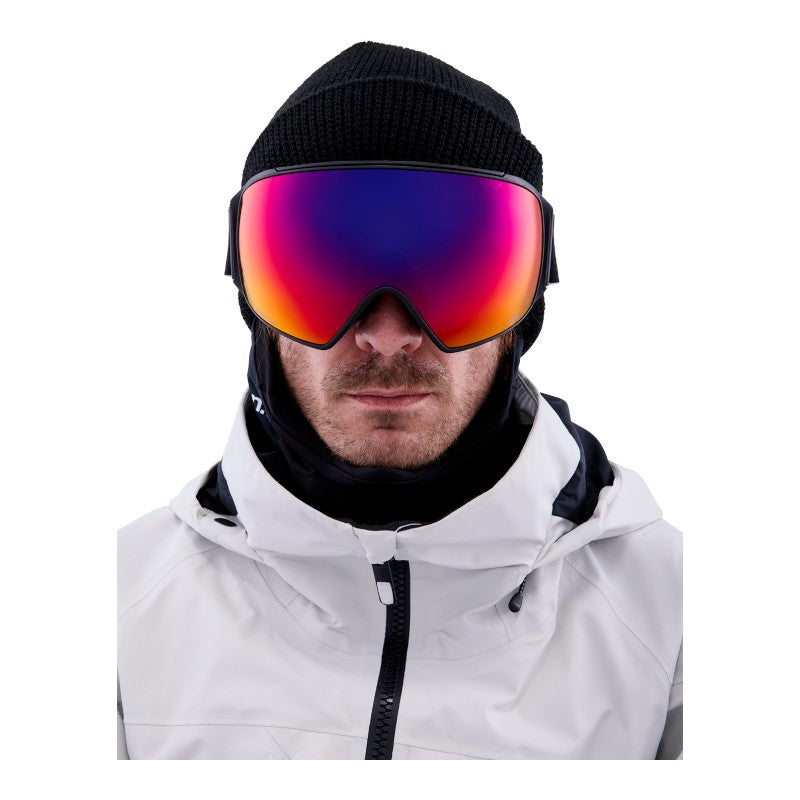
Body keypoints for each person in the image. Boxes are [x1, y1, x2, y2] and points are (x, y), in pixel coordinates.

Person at [117, 40, 683, 760]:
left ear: (528, 300)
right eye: (322, 272)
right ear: (252, 298)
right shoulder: (121, 609)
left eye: (455, 273)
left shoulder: (670, 611)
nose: (388, 336)